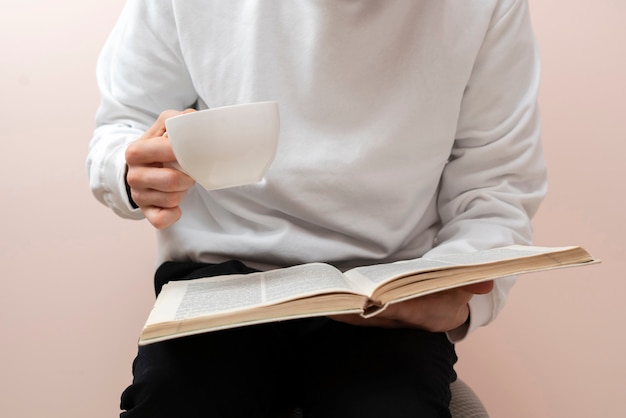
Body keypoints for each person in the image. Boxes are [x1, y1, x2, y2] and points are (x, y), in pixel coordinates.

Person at [87, 1, 547, 417]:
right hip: (220, 286)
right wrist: (132, 173)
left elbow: (497, 184)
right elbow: (122, 124)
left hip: (386, 297)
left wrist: (454, 299)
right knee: (178, 400)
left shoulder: (486, 8)